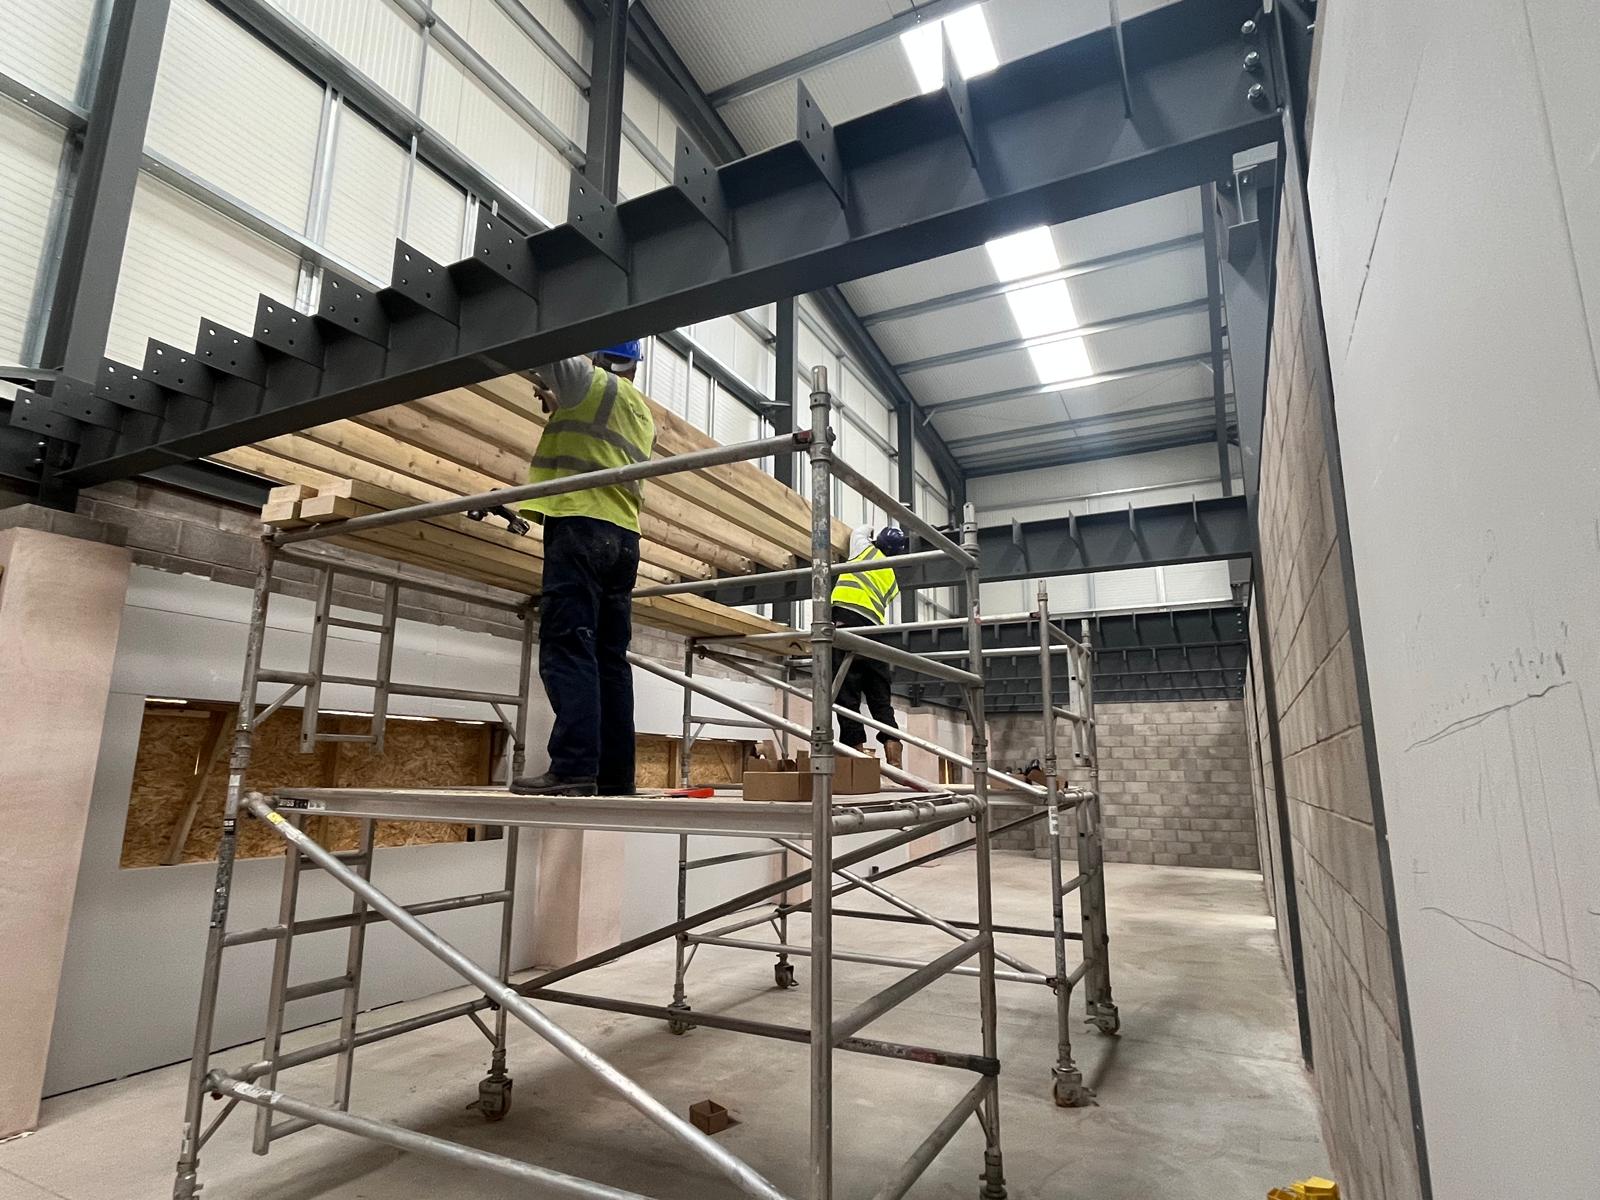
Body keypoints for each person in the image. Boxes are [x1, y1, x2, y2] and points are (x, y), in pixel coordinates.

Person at [510, 341, 655, 797]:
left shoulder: (588, 381)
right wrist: (557, 399)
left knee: (569, 644)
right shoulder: (640, 411)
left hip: (581, 525)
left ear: (599, 354)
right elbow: (595, 436)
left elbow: (538, 341)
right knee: (610, 658)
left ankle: (573, 768)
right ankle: (614, 775)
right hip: (624, 539)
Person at [830, 523, 909, 768]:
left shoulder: (864, 550)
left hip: (847, 624)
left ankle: (856, 760)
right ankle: (894, 757)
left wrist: (872, 530)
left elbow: (860, 530)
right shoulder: (891, 578)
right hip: (874, 634)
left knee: (846, 694)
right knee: (880, 698)